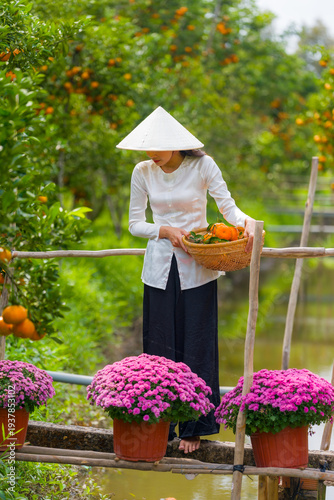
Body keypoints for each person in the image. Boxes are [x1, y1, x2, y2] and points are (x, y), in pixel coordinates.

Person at [117, 106, 256, 454]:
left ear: (177, 144)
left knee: (197, 344)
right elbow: (135, 223)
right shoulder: (143, 171)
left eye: (158, 150)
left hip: (199, 266)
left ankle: (194, 428)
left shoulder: (203, 166)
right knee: (159, 347)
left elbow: (228, 209)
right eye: (148, 150)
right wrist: (162, 229)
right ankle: (160, 424)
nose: (152, 156)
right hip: (159, 268)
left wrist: (248, 224)